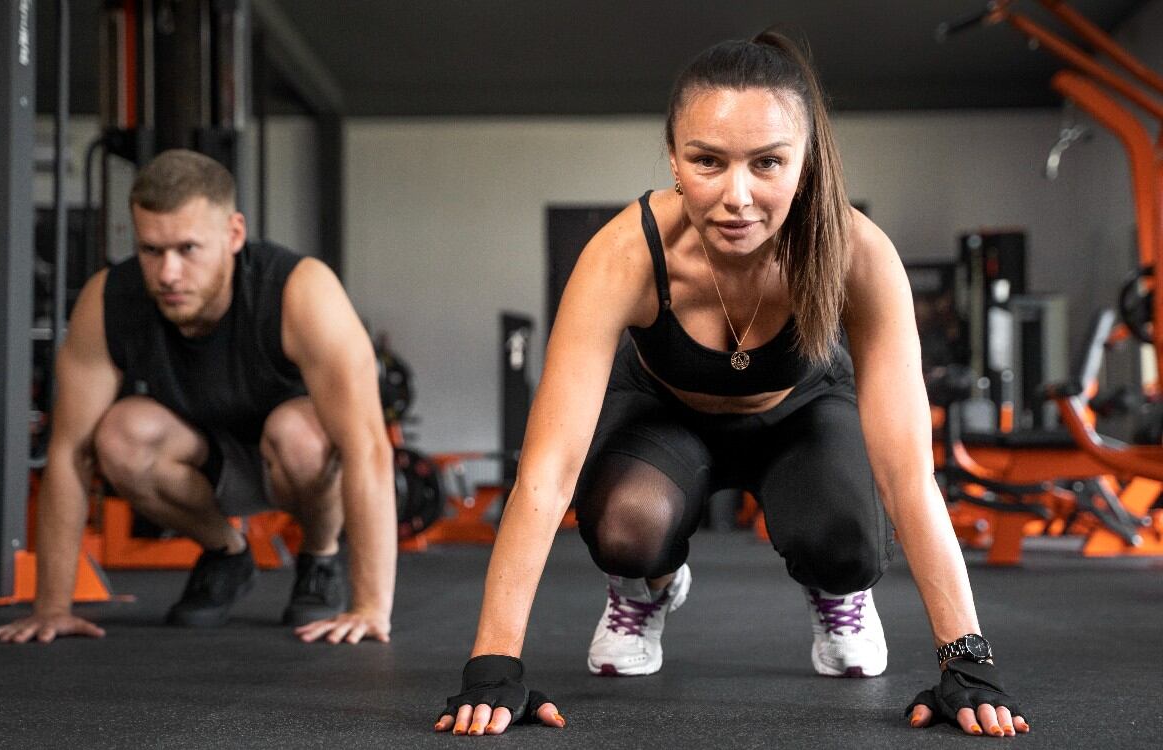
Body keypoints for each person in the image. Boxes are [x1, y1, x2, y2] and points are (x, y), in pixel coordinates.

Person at [435, 32, 1027, 737]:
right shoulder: (626, 253)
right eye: (707, 161)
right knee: (626, 526)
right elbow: (547, 471)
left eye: (768, 163)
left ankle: (836, 591)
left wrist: (967, 659)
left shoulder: (858, 255)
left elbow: (905, 471)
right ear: (673, 158)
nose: (736, 198)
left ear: (805, 166)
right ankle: (646, 587)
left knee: (852, 542)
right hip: (664, 414)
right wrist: (493, 664)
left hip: (803, 414)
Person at [0, 149, 396, 645]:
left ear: (234, 234)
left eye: (187, 249)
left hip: (296, 462)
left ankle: (320, 557)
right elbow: (68, 451)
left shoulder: (298, 290)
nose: (168, 274)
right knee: (118, 434)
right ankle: (226, 552)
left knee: (298, 436)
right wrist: (51, 608)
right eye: (151, 250)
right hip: (204, 463)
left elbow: (367, 448)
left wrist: (371, 606)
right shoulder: (111, 299)